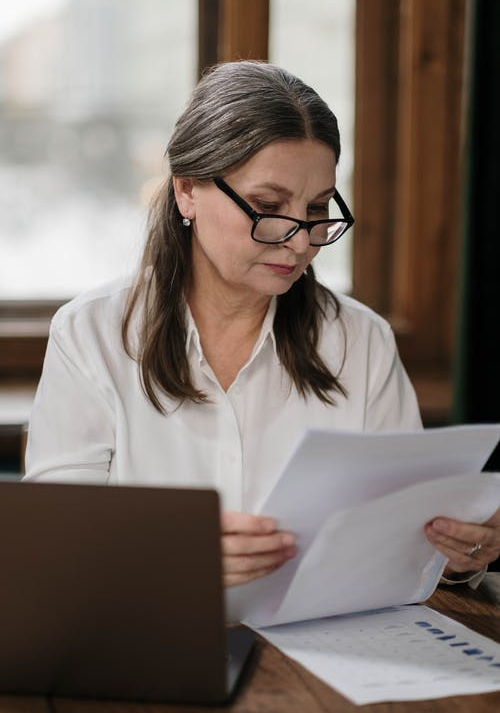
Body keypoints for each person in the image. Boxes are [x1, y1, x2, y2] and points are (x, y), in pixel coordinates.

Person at [25, 61, 499, 589]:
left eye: (318, 208)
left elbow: (404, 543)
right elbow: (57, 541)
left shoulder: (361, 340)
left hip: (324, 648)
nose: (300, 241)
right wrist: (178, 555)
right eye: (267, 206)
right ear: (186, 192)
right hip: (150, 641)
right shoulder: (92, 334)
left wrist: (459, 553)